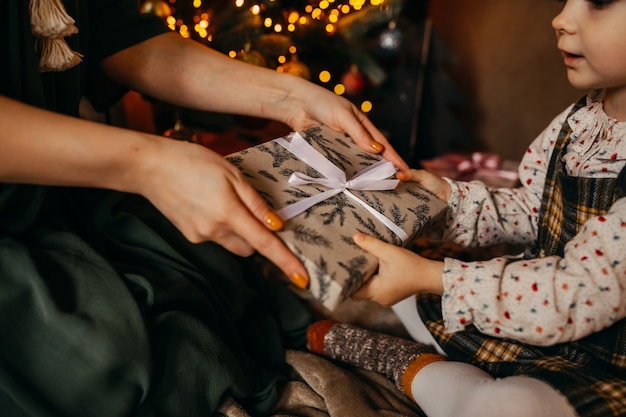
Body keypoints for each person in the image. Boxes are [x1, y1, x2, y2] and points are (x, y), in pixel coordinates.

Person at [0, 1, 408, 416]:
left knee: (222, 276)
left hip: (59, 194)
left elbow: (118, 34)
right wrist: (145, 164)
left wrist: (294, 97)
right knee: (120, 359)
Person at [306, 1, 626, 416]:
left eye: (599, 3)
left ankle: (407, 363)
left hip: (603, 348)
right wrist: (448, 201)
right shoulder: (582, 118)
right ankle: (417, 314)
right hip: (531, 307)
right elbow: (533, 208)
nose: (561, 19)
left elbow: (574, 292)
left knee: (510, 406)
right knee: (421, 284)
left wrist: (433, 277)